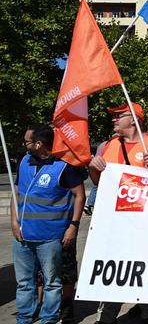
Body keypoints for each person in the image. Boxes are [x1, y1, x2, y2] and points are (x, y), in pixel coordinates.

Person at [88, 102, 148, 324]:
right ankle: (107, 317)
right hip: (115, 222)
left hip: (145, 222)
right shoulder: (109, 146)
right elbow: (99, 182)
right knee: (113, 269)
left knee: (143, 268)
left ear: (134, 118)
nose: (114, 119)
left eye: (119, 115)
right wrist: (93, 167)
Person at [12, 124, 85, 324]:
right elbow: (16, 192)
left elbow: (80, 195)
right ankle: (24, 318)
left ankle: (48, 319)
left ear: (39, 144)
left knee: (52, 283)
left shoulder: (64, 165)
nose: (24, 144)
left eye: (27, 141)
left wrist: (73, 225)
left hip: (51, 237)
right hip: (23, 236)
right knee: (24, 283)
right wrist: (14, 222)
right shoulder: (24, 161)